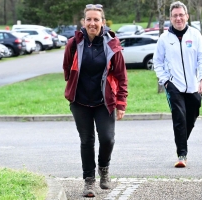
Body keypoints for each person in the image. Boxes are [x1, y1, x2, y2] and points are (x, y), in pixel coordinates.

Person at [62, 4, 128, 198]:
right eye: (89, 19)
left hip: (104, 102)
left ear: (103, 22)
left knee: (107, 139)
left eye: (96, 20)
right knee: (86, 141)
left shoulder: (112, 45)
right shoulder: (74, 43)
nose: (92, 23)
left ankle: (104, 169)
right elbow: (67, 67)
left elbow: (121, 76)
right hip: (80, 102)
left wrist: (121, 102)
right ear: (84, 22)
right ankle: (89, 181)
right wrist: (73, 83)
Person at [153, 1, 202, 168]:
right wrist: (165, 81)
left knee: (190, 117)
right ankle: (182, 155)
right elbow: (158, 62)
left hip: (193, 86)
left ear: (187, 16)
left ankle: (181, 141)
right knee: (179, 118)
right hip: (174, 86)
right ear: (170, 18)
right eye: (175, 15)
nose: (178, 18)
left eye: (181, 15)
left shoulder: (195, 35)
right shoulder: (164, 39)